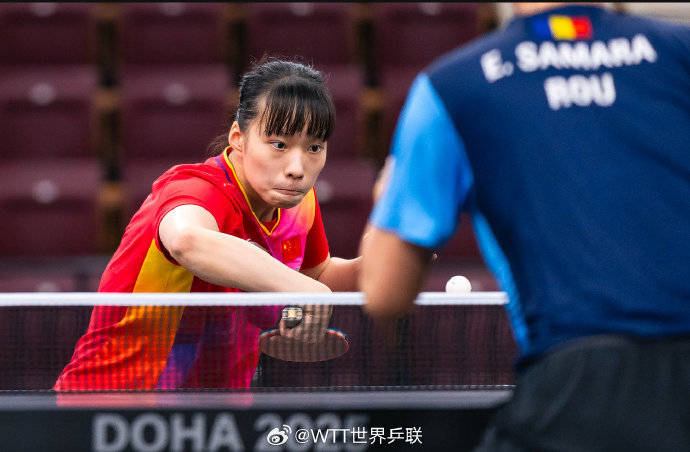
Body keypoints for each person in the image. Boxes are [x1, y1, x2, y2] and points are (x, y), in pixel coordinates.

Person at [360, 3, 690, 450]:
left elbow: (384, 292)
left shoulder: (456, 86)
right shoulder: (680, 51)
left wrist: (390, 197)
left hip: (582, 390)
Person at [55, 59, 361, 391]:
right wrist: (307, 291)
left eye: (314, 147)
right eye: (279, 145)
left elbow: (316, 276)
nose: (297, 168)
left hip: (215, 414)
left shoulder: (299, 203)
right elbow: (187, 240)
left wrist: (402, 255)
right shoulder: (197, 190)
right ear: (238, 138)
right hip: (111, 408)